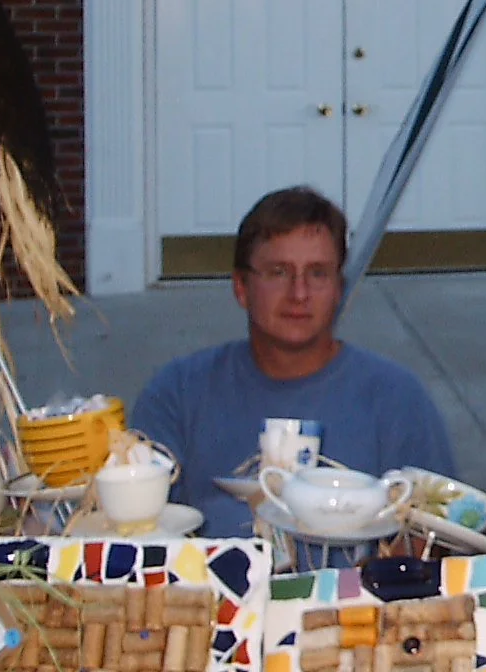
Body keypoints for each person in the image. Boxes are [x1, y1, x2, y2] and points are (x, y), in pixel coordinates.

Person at [130, 186, 456, 540]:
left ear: (338, 289)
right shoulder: (178, 395)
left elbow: (440, 545)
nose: (299, 294)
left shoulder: (398, 400)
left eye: (317, 273)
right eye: (279, 272)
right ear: (241, 286)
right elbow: (136, 536)